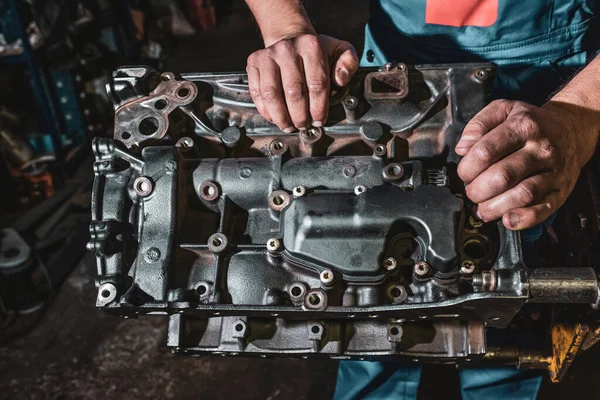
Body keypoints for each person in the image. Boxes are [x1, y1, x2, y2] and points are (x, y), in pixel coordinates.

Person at [244, 1, 600, 399]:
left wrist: (578, 113)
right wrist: (284, 24)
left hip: (546, 77)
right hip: (396, 55)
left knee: (506, 330)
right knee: (362, 326)